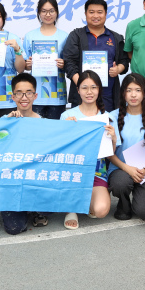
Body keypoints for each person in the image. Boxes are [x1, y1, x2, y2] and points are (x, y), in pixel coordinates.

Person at [60, 70, 117, 229]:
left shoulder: (107, 117)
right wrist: (66, 130)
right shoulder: (67, 115)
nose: (89, 92)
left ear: (99, 90)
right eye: (84, 88)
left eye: (93, 87)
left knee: (100, 210)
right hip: (72, 171)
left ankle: (87, 202)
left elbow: (110, 154)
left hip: (97, 172)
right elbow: (61, 150)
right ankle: (71, 209)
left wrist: (113, 138)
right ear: (78, 90)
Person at [108, 73, 145, 220]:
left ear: (144, 93)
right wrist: (128, 169)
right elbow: (108, 153)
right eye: (129, 90)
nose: (133, 95)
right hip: (120, 168)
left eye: (138, 90)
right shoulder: (112, 117)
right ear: (123, 93)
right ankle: (123, 204)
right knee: (120, 183)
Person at [63, 0, 129, 114]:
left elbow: (124, 61)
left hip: (108, 96)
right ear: (85, 14)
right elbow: (69, 62)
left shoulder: (115, 37)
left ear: (106, 14)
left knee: (107, 124)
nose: (95, 16)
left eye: (99, 12)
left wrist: (118, 69)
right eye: (91, 12)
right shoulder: (76, 35)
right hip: (82, 96)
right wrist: (83, 85)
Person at [0, 73, 49, 233]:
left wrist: (71, 127)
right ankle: (22, 209)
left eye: (28, 93)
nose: (24, 97)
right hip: (12, 182)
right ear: (13, 97)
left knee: (48, 206)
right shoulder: (4, 120)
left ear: (35, 96)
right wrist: (8, 123)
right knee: (14, 228)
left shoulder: (44, 123)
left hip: (35, 179)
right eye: (19, 93)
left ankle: (35, 209)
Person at [21, 0, 69, 120]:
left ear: (57, 12)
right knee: (35, 129)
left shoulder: (65, 36)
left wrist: (63, 64)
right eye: (44, 11)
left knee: (56, 129)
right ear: (38, 13)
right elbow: (24, 64)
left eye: (51, 11)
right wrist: (28, 65)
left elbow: (69, 64)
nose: (48, 15)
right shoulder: (30, 36)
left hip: (57, 94)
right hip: (35, 94)